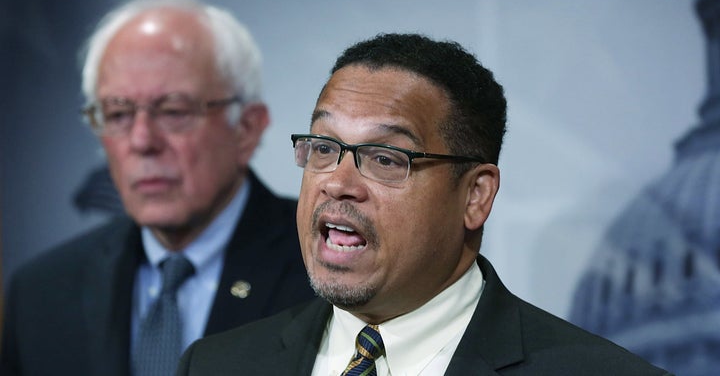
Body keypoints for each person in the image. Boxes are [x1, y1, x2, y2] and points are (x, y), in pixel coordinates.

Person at [177, 33, 672, 375]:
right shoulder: (216, 366)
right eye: (324, 149)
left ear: (475, 196)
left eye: (386, 158)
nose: (338, 183)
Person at [0, 0, 314, 376]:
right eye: (118, 114)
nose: (142, 141)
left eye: (174, 111)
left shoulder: (322, 275)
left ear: (247, 129)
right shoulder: (41, 293)